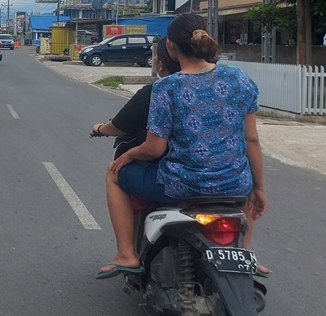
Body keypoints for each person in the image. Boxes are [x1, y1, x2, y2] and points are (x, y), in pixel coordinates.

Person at [96, 14, 267, 279]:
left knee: (114, 174)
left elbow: (154, 149)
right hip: (235, 184)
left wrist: (128, 155)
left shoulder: (167, 87)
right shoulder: (239, 78)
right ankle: (241, 255)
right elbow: (252, 139)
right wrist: (258, 188)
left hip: (182, 185)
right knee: (246, 197)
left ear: (172, 48)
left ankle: (126, 254)